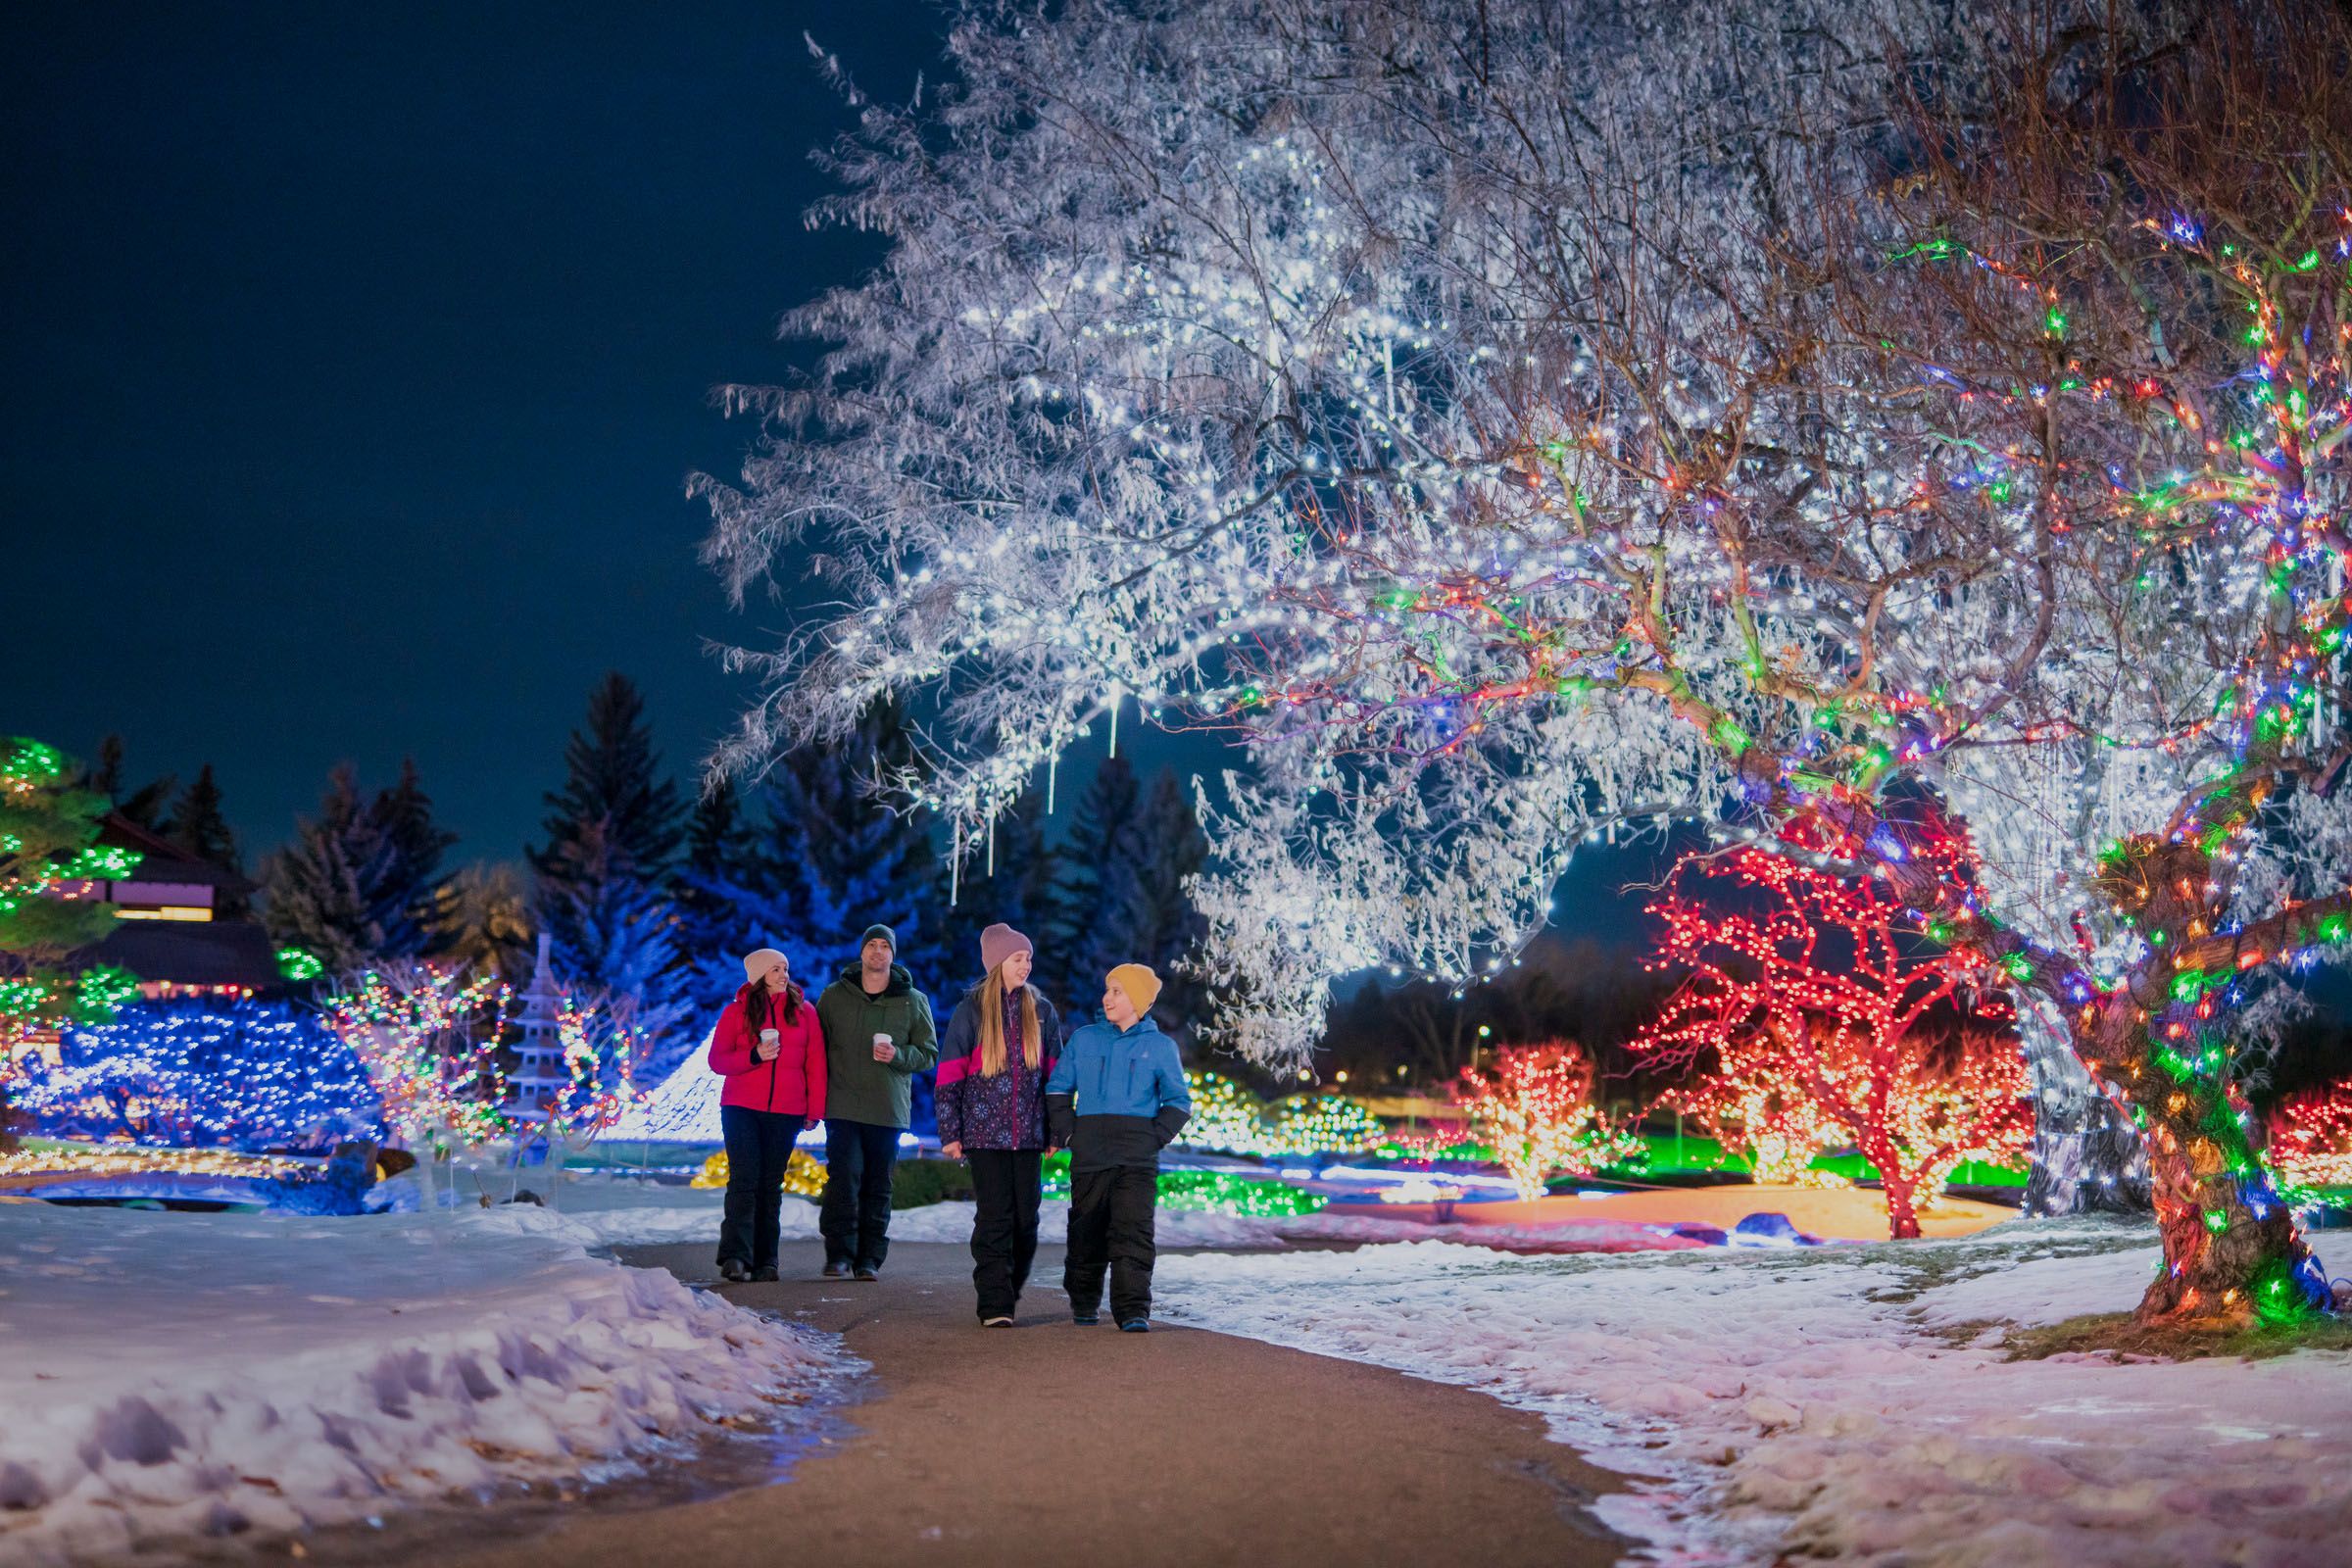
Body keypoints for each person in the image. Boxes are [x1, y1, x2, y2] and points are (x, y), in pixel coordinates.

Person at [1046, 962, 1191, 1332]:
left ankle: (1132, 1310)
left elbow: (1178, 1101)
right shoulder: (1085, 1039)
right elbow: (1058, 1088)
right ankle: (1084, 1301)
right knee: (1086, 1231)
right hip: (1090, 1153)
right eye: (1108, 990)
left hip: (1136, 1159)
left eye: (1117, 991)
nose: (1107, 998)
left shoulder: (1160, 1047)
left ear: (1138, 1001)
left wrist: (1153, 1137)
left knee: (1133, 1232)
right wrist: (1070, 1134)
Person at [935, 922, 1064, 1326]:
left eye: (1028, 958)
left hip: (1028, 1136)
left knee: (1026, 1219)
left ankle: (1011, 1287)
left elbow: (1056, 1077)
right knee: (994, 1217)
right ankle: (994, 1303)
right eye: (1017, 958)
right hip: (982, 1136)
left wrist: (1057, 1128)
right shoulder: (971, 1011)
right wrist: (950, 1132)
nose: (1025, 965)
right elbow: (950, 1074)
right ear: (997, 963)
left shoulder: (1041, 1012)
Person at [813, 923, 938, 1280]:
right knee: (843, 1179)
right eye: (872, 944)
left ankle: (869, 1258)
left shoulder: (913, 1001)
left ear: (893, 955)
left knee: (878, 1185)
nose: (878, 951)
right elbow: (816, 1049)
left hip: (887, 1108)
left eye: (885, 946)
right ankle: (838, 1254)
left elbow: (929, 1054)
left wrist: (898, 1054)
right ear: (862, 951)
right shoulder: (834, 996)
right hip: (841, 1104)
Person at [707, 948, 826, 1284]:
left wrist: (814, 1110)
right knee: (744, 1181)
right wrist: (755, 1055)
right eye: (775, 969)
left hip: (787, 1110)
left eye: (785, 968)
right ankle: (735, 1256)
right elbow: (718, 1062)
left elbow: (816, 1063)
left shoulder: (805, 1012)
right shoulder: (736, 1012)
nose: (783, 975)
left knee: (770, 1186)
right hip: (741, 1107)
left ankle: (766, 1260)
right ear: (759, 976)